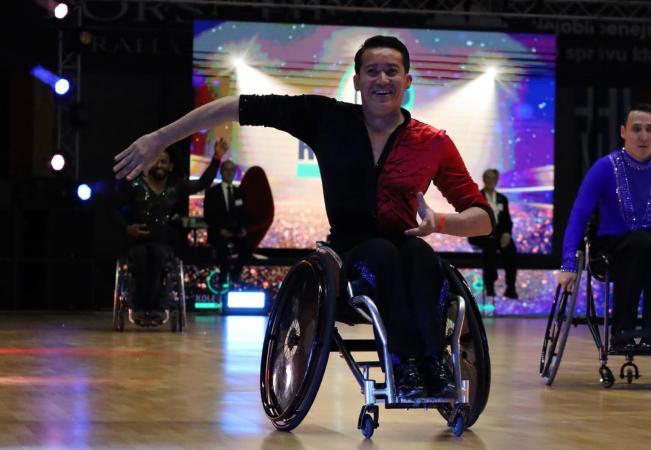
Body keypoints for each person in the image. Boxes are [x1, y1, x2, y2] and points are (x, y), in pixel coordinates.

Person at [113, 36, 494, 398]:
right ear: (358, 80)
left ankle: (431, 363)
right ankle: (405, 363)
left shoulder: (432, 142)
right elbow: (235, 107)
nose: (382, 79)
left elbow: (483, 217)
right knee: (381, 254)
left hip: (406, 243)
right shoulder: (325, 117)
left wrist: (440, 223)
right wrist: (161, 138)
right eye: (372, 71)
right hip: (349, 253)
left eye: (392, 71)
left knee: (422, 256)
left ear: (407, 81)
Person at [556, 103, 651, 353]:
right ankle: (622, 332)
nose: (643, 136)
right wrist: (568, 264)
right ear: (623, 132)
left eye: (649, 129)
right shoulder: (604, 168)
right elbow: (579, 214)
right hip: (613, 249)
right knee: (639, 240)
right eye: (636, 129)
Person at [117, 140, 227, 317]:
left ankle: (157, 306)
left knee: (159, 256)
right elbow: (114, 210)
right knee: (143, 257)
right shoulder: (135, 185)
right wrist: (128, 228)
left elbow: (203, 183)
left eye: (163, 162)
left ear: (170, 167)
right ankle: (140, 305)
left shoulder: (175, 187)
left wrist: (217, 157)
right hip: (137, 241)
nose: (159, 165)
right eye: (156, 161)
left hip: (162, 241)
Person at [468, 169, 518, 299]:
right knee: (489, 249)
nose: (491, 181)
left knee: (511, 250)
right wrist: (486, 234)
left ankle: (510, 287)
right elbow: (473, 220)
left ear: (497, 180)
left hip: (499, 235)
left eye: (493, 178)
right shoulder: (477, 197)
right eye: (488, 178)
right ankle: (490, 287)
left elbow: (507, 220)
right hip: (481, 235)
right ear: (484, 179)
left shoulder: (502, 199)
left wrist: (507, 234)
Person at [204, 160, 251, 287]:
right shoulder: (212, 192)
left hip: (236, 231)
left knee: (247, 247)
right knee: (222, 248)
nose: (229, 172)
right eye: (226, 169)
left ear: (235, 173)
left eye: (232, 170)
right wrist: (219, 229)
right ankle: (223, 277)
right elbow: (208, 215)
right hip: (218, 232)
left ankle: (235, 275)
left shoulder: (239, 192)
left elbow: (244, 214)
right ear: (221, 172)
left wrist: (243, 229)